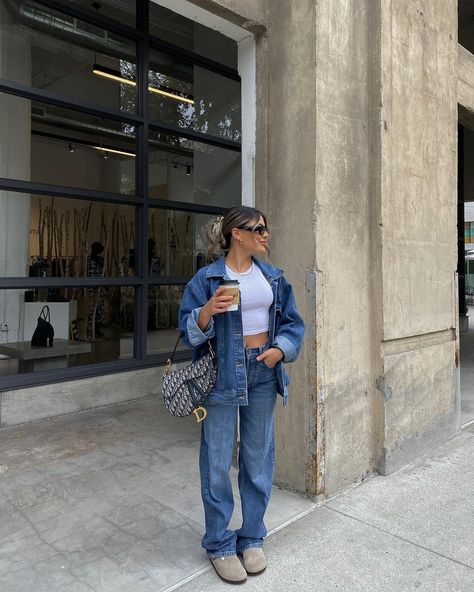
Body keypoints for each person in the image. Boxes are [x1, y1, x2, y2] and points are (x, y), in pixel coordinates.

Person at [178, 206, 305, 584]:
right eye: (260, 229)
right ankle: (219, 542)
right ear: (237, 233)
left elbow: (293, 323)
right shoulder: (208, 278)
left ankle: (251, 536)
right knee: (217, 459)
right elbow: (188, 332)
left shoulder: (273, 276)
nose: (266, 235)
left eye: (266, 229)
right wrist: (205, 312)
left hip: (263, 369)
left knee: (257, 456)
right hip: (221, 372)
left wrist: (280, 349)